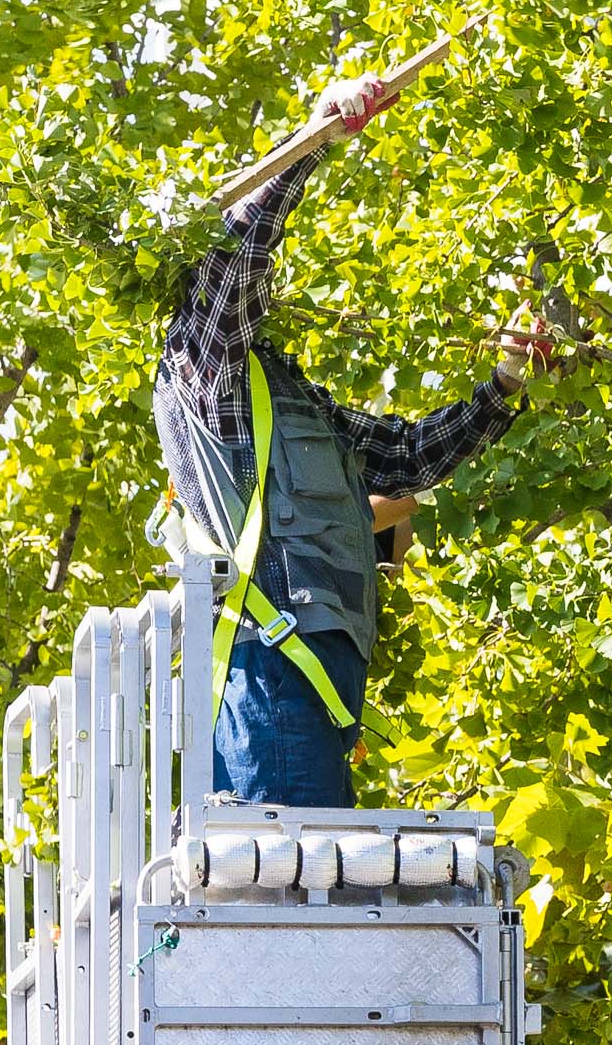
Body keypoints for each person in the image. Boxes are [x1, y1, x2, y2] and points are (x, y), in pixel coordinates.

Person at [154, 72, 551, 808]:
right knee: (283, 906)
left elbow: (407, 456)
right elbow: (231, 259)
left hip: (314, 684)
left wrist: (505, 384)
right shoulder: (203, 368)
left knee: (311, 897)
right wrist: (314, 140)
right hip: (270, 675)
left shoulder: (278, 393)